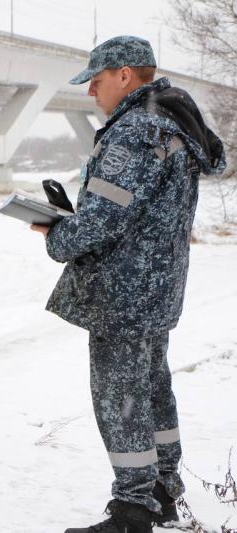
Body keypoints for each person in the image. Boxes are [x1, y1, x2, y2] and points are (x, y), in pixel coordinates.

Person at [30, 36, 226, 533]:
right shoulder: (174, 126)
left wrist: (56, 234)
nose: (92, 92)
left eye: (96, 81)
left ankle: (133, 510)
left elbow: (99, 222)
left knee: (120, 398)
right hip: (156, 288)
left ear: (123, 75)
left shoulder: (136, 131)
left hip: (123, 292)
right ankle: (161, 488)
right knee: (153, 389)